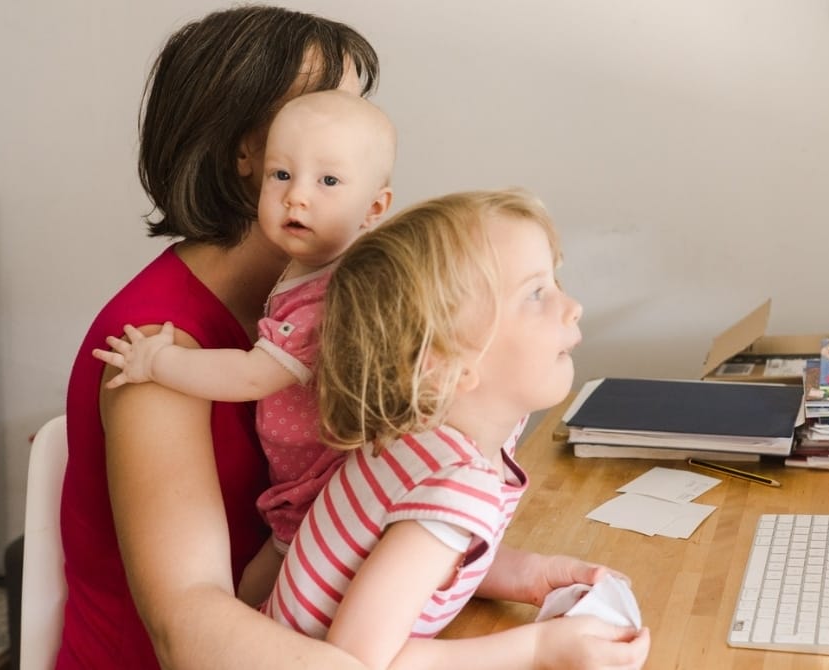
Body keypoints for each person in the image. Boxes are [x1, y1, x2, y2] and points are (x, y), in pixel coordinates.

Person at [57, 6, 383, 668]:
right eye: (328, 110)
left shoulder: (311, 304)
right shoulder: (154, 348)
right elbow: (189, 627)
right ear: (249, 154)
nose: (357, 142)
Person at [264, 189, 653, 669]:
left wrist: (534, 575)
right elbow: (357, 661)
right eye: (536, 293)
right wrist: (537, 650)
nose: (572, 306)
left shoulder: (430, 433)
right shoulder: (453, 485)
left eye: (555, 281)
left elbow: (438, 561)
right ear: (447, 366)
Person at [91, 88, 396, 606]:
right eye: (282, 175)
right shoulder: (310, 274)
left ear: (374, 208)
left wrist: (159, 360)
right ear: (248, 160)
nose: (297, 196)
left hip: (320, 489)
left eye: (327, 181)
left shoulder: (329, 296)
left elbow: (254, 376)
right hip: (315, 484)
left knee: (263, 592)